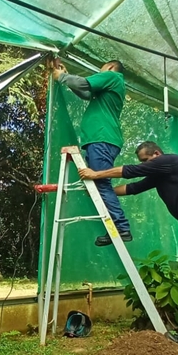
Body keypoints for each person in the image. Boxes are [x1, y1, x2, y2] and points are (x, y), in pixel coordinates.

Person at [78, 141, 178, 354]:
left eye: (145, 160)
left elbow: (130, 172)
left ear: (157, 153)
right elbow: (132, 188)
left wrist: (95, 174)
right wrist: (103, 193)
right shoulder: (161, 175)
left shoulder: (170, 161)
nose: (143, 164)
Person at [48, 58, 132, 246]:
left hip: (101, 138)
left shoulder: (112, 76)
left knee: (101, 183)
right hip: (102, 139)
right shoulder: (109, 87)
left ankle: (121, 227)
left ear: (109, 67)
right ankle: (120, 227)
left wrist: (62, 77)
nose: (99, 72)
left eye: (100, 68)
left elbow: (84, 83)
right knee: (101, 183)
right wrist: (65, 75)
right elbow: (86, 92)